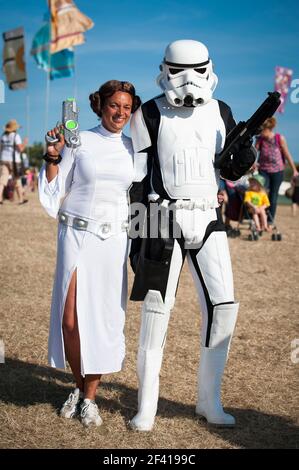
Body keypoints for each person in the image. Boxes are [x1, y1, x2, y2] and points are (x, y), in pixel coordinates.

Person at [128, 39, 256, 431]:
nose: (189, 80)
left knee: (224, 307)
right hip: (160, 219)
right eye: (179, 70)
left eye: (197, 70)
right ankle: (146, 405)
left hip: (208, 218)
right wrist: (138, 234)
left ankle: (208, 399)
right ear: (164, 68)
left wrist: (245, 155)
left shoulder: (222, 111)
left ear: (210, 68)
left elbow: (232, 170)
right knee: (155, 311)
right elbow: (135, 178)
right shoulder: (147, 112)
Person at [38, 80, 141, 427]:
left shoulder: (135, 149)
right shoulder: (79, 141)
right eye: (115, 105)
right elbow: (56, 187)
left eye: (127, 107)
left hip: (112, 242)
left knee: (100, 320)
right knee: (70, 321)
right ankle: (79, 387)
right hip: (75, 236)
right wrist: (53, 154)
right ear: (101, 105)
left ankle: (90, 398)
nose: (121, 113)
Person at [255, 117, 298, 221]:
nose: (260, 133)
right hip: (263, 170)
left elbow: (287, 155)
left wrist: (294, 170)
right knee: (262, 192)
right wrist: (253, 163)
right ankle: (261, 216)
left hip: (277, 171)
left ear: (268, 129)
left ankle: (270, 220)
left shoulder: (279, 138)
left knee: (273, 196)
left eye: (262, 131)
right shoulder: (260, 139)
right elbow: (254, 152)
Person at [0, 119, 28, 205]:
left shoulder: (3, 136)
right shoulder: (16, 136)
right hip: (14, 161)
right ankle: (21, 199)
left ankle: (0, 198)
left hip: (3, 159)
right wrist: (25, 143)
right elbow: (20, 149)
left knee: (2, 180)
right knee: (17, 179)